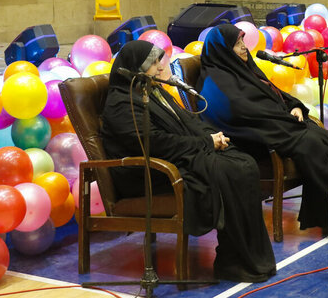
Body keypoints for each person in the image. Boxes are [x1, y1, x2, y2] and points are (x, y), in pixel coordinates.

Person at [100, 40, 276, 283]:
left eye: (158, 62)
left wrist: (211, 137)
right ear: (134, 69)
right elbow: (154, 143)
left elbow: (188, 122)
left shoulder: (153, 91)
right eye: (152, 64)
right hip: (147, 175)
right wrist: (205, 145)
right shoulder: (122, 102)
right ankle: (232, 261)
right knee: (228, 170)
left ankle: (246, 258)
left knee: (241, 162)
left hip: (172, 160)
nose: (160, 69)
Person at [197, 24, 328, 233]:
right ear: (222, 50)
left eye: (242, 43)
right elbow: (237, 115)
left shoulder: (245, 68)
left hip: (275, 126)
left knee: (322, 137)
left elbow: (276, 93)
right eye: (237, 45)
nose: (243, 48)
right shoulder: (213, 81)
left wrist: (294, 107)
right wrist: (282, 119)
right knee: (311, 143)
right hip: (251, 136)